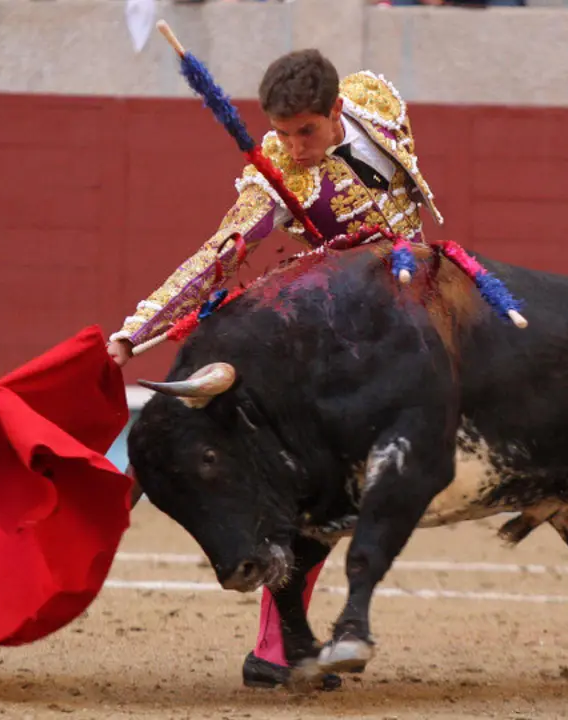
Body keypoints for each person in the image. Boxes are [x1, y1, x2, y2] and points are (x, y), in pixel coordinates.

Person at [107, 49, 444, 689]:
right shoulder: (274, 175)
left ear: (337, 109)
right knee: (313, 482)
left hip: (416, 303)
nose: (294, 147)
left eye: (306, 133)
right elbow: (216, 257)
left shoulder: (376, 101)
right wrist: (134, 333)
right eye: (282, 134)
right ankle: (273, 644)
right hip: (337, 323)